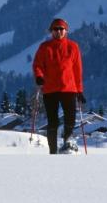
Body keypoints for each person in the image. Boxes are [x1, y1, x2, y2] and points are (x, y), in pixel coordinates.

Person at [33, 18, 85, 154]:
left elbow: (77, 70)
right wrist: (39, 76)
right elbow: (37, 65)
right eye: (55, 29)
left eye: (61, 29)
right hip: (50, 89)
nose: (58, 31)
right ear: (51, 31)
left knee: (70, 119)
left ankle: (67, 144)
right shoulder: (44, 47)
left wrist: (80, 91)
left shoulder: (73, 46)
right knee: (52, 122)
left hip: (69, 88)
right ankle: (53, 152)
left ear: (66, 30)